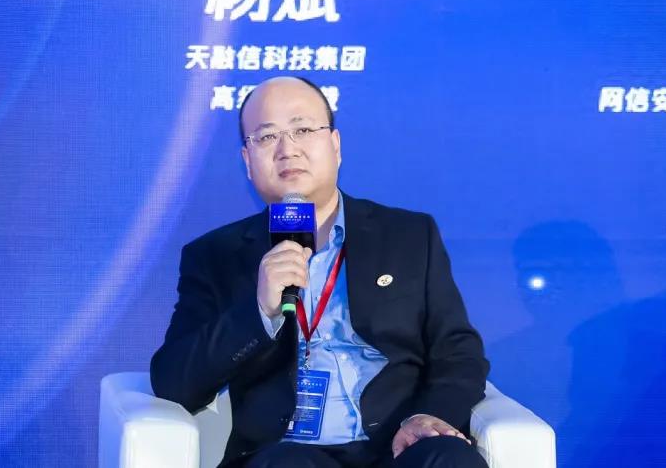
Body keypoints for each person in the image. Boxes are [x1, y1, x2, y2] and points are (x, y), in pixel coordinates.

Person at [151, 76, 490, 468]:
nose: (287, 149)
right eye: (267, 137)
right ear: (247, 160)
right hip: (284, 455)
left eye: (302, 130)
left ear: (335, 145)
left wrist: (427, 417)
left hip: (398, 448)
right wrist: (258, 312)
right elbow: (173, 383)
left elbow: (458, 352)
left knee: (450, 460)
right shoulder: (215, 255)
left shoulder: (409, 236)